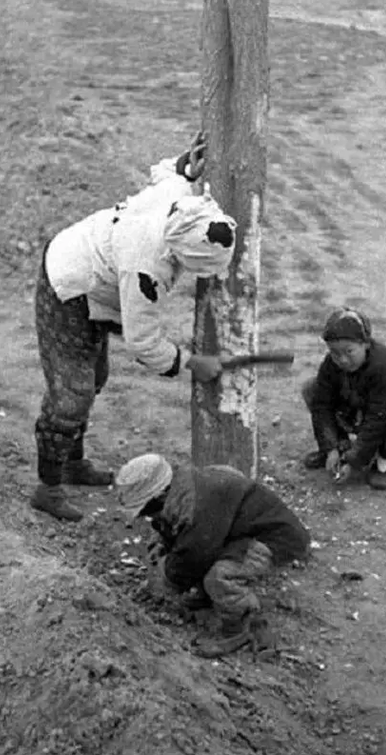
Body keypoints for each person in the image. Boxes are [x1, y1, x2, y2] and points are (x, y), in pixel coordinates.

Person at [32, 133, 237, 522]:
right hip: (69, 284)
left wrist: (185, 165)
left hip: (95, 275)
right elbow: (144, 343)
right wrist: (193, 363)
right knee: (71, 392)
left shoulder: (182, 201)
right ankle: (48, 487)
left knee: (93, 377)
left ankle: (73, 464)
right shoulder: (146, 269)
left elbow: (166, 175)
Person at [115, 454, 311, 658]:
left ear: (160, 497)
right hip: (238, 529)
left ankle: (238, 629)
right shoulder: (181, 487)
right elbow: (179, 528)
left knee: (219, 577)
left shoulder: (196, 506)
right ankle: (209, 597)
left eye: (146, 511)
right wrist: (162, 540)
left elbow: (193, 558)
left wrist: (165, 577)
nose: (146, 517)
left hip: (276, 537)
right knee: (200, 552)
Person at [302, 307, 386, 490]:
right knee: (312, 388)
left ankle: (383, 462)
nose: (342, 359)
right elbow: (322, 406)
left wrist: (354, 462)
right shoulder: (330, 365)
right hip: (360, 409)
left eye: (349, 351)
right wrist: (330, 448)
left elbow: (378, 419)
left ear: (365, 343)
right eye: (335, 353)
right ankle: (340, 449)